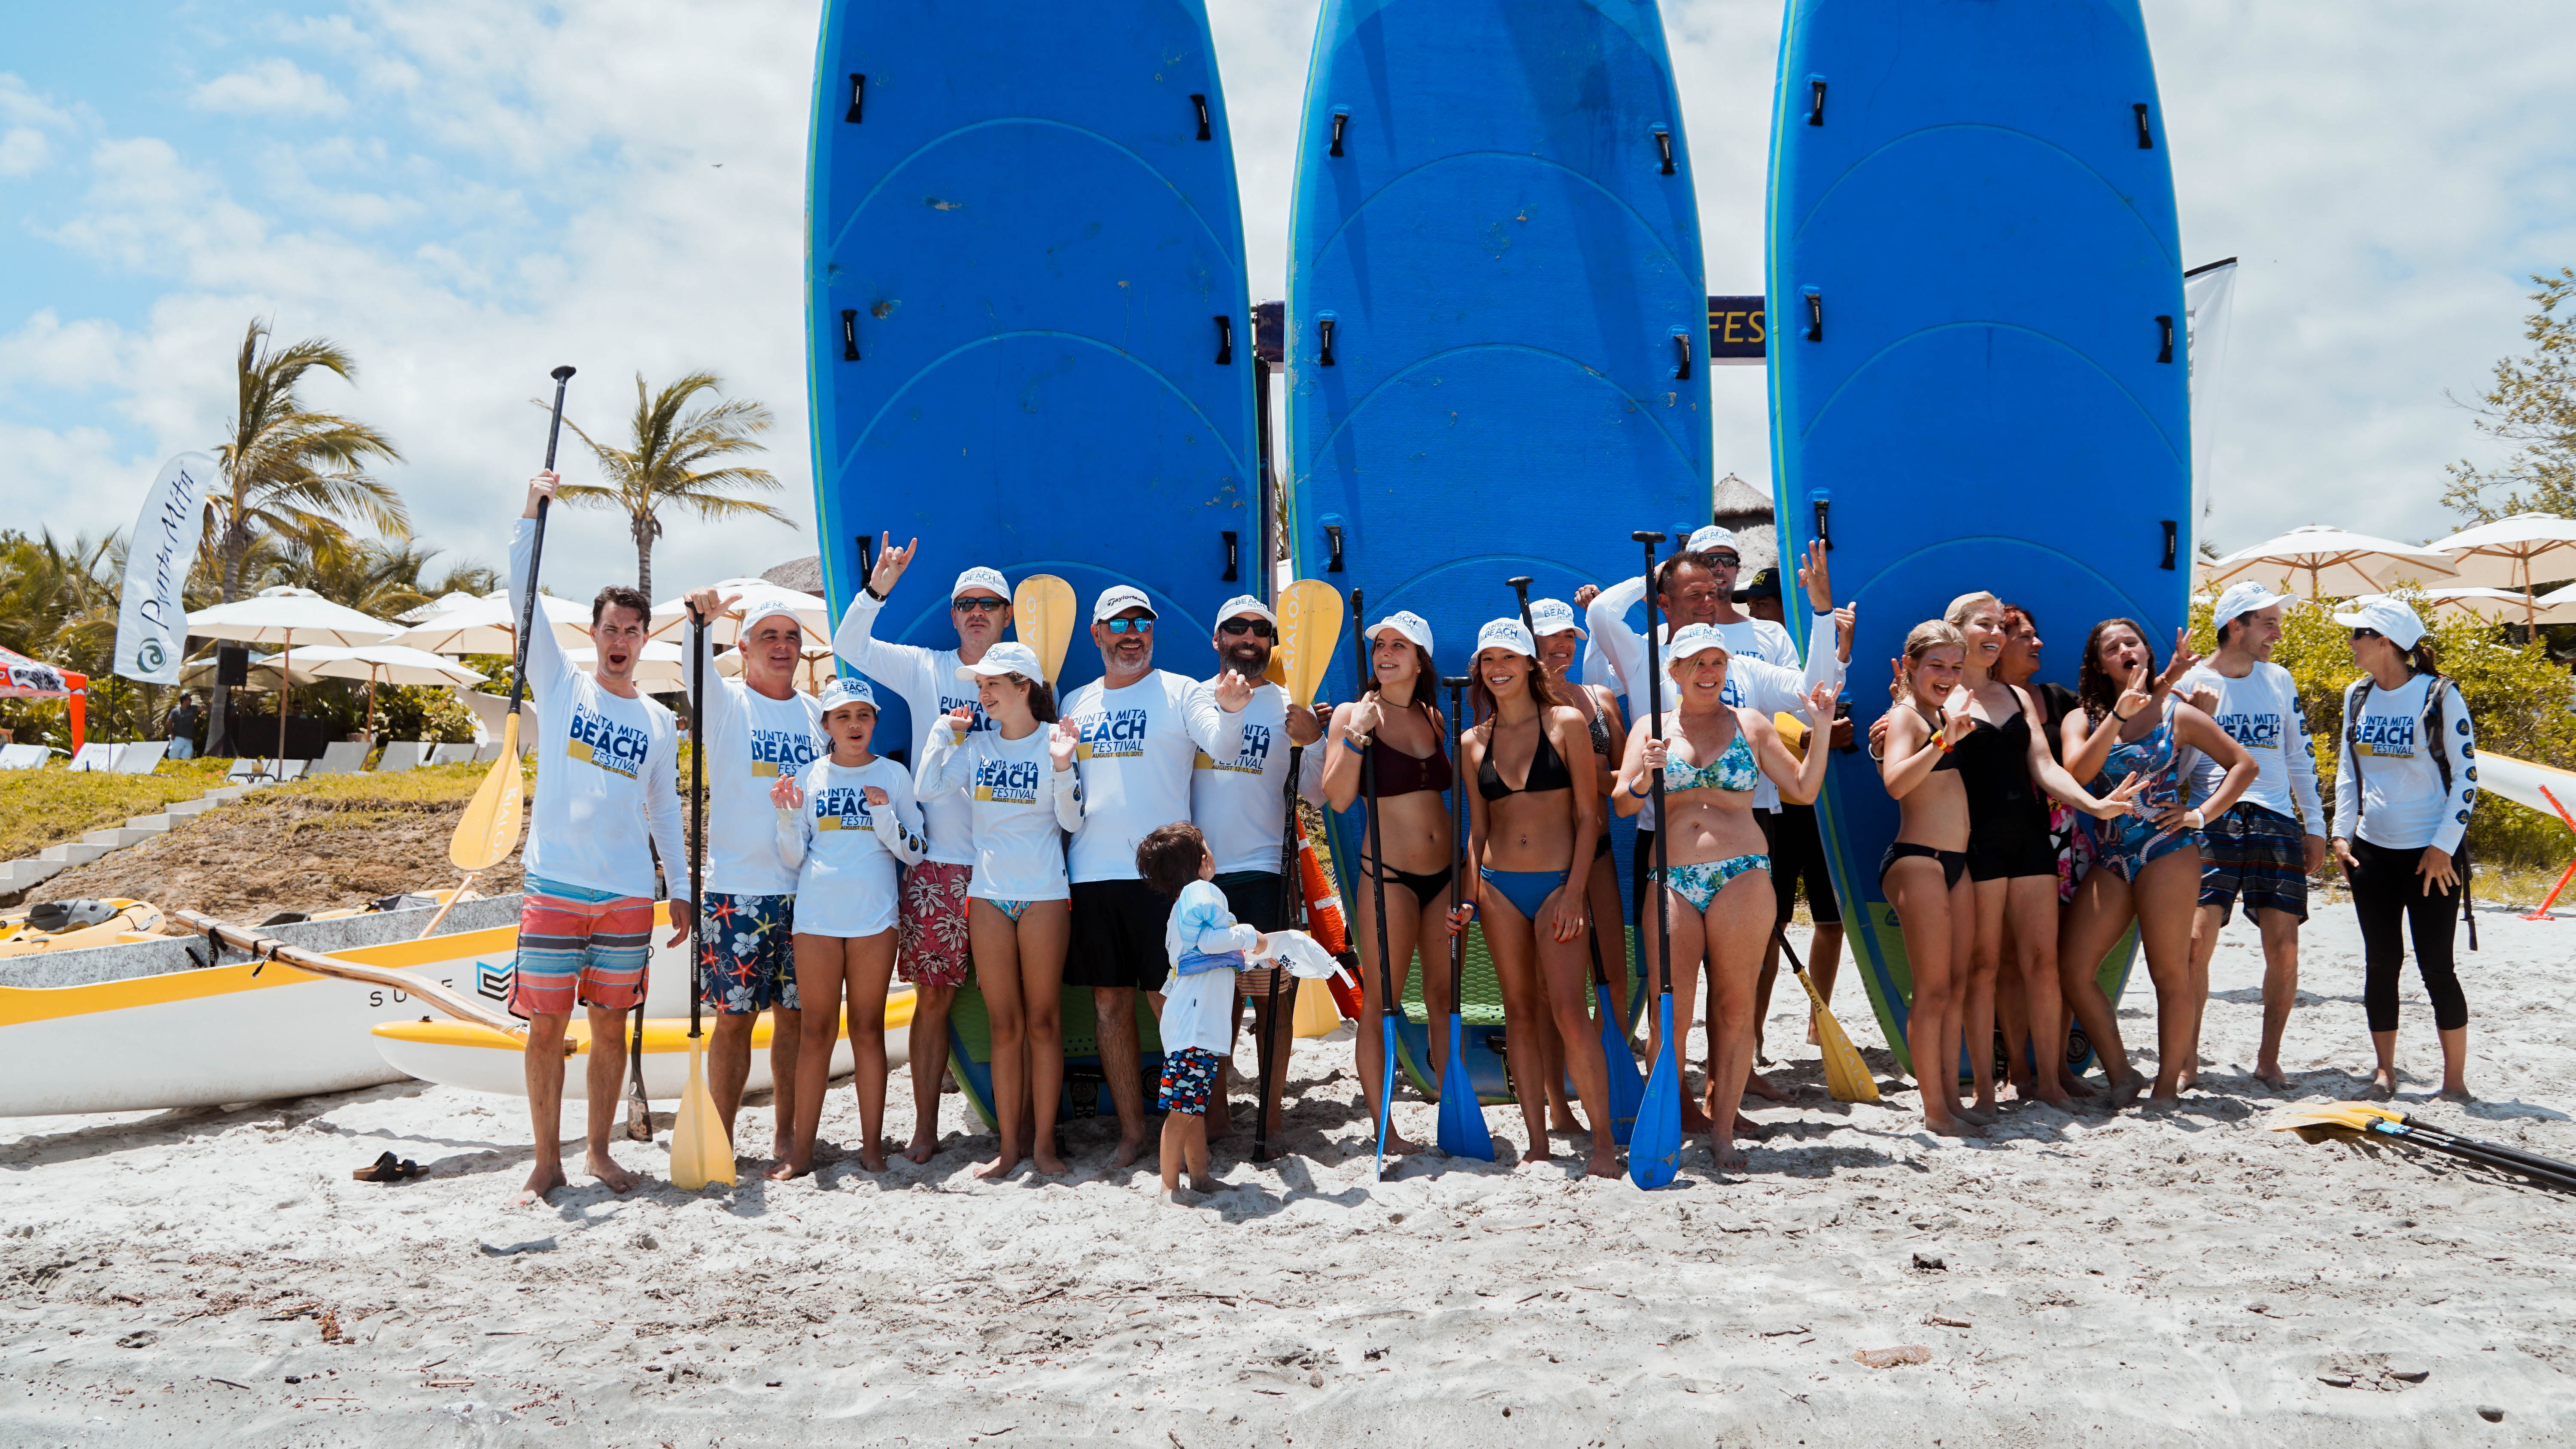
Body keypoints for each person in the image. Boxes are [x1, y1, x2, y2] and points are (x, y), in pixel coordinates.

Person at [1588, 539, 1848, 1108]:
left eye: (1715, 589)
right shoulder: (1646, 655)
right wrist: (1658, 575)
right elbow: (1602, 613)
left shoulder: (1748, 660)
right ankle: (1678, 1104)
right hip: (1665, 839)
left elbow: (1816, 693)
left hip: (1748, 833)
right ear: (1665, 599)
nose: (1709, 599)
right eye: (1694, 592)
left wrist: (1823, 615)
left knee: (1738, 982)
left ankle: (1730, 1085)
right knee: (1673, 991)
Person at [507, 471, 689, 1204]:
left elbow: (665, 809)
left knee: (611, 1028)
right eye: (610, 629)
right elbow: (521, 598)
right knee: (546, 1029)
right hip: (554, 885)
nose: (620, 641)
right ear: (594, 634)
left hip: (626, 894)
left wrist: (681, 888)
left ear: (645, 639)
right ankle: (545, 1163)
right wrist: (530, 514)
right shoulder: (560, 685)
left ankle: (599, 1153)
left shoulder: (659, 720)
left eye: (632, 631)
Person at [1611, 623, 1839, 1167]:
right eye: (1697, 663)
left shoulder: (1751, 724)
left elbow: (1803, 788)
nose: (1709, 672)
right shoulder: (1650, 728)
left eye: (1717, 661)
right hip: (1672, 877)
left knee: (1735, 1007)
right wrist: (1644, 775)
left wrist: (1823, 726)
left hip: (1743, 873)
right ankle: (1669, 1118)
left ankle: (1723, 1131)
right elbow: (1622, 803)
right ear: (1674, 672)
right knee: (1670, 1011)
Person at [832, 536, 1013, 1164]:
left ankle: (1018, 1130)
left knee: (1011, 1004)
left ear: (1006, 615)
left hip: (1010, 865)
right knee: (934, 999)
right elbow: (850, 646)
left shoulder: (1026, 674)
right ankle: (926, 1129)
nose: (976, 612)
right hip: (938, 865)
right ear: (954, 615)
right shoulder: (925, 668)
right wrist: (877, 588)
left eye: (989, 604)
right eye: (966, 604)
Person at [1059, 585, 1242, 1169]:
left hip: (1166, 878)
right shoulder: (1075, 700)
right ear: (1097, 634)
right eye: (1118, 624)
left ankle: (1208, 1122)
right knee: (1110, 1006)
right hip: (1092, 874)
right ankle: (1133, 1134)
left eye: (1142, 622)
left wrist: (1231, 710)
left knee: (1177, 1005)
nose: (1131, 633)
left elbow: (1222, 744)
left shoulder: (1183, 691)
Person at [1941, 592, 2143, 1115]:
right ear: (1956, 628)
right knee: (1985, 966)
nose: (1995, 634)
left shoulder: (2016, 695)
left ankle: (2051, 1082)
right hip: (1976, 843)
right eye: (1984, 624)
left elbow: (2045, 766)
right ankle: (1987, 1091)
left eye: (1998, 626)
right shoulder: (1942, 695)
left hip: (2031, 838)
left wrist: (2094, 805)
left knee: (2043, 963)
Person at [2055, 619, 2257, 1107]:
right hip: (2112, 856)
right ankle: (2122, 1074)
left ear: (2147, 653)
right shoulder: (2081, 718)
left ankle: (2166, 1087)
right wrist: (2117, 717)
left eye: (2133, 643)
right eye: (2113, 647)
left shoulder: (2177, 714)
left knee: (2169, 973)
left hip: (2168, 851)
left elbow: (2244, 765)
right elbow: (2076, 776)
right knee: (2073, 969)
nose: (2126, 650)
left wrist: (2199, 814)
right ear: (2100, 664)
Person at [917, 642, 1084, 1177]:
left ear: (1023, 687)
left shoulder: (1054, 741)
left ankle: (1044, 1148)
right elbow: (927, 787)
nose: (983, 693)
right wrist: (943, 733)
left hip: (1044, 894)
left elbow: (1072, 821)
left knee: (1043, 1023)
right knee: (1004, 1027)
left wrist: (1062, 766)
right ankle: (1009, 1149)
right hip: (988, 895)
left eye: (993, 683)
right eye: (980, 684)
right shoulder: (976, 746)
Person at [1460, 617, 1616, 1177]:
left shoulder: (1566, 723)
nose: (1497, 669)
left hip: (1557, 886)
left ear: (1529, 663)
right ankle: (1538, 1142)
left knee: (1571, 1011)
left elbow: (1588, 816)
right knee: (1520, 1014)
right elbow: (1478, 830)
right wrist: (1469, 895)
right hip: (1498, 889)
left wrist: (1575, 892)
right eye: (1487, 660)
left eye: (1508, 657)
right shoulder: (1472, 742)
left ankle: (1603, 1145)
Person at [681, 584, 827, 1163]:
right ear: (743, 648)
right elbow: (694, 670)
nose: (783, 645)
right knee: (734, 1022)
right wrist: (698, 625)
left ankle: (786, 1135)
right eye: (769, 636)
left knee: (795, 1021)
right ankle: (719, 1137)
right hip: (736, 893)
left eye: (792, 636)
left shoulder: (816, 714)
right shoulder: (727, 704)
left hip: (805, 891)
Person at [769, 677, 926, 1179]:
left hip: (874, 920)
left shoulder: (894, 775)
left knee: (867, 1028)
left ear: (875, 721)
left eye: (863, 715)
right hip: (816, 918)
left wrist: (884, 816)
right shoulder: (809, 776)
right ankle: (803, 1152)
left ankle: (872, 1148)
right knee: (816, 1030)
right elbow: (793, 857)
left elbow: (915, 851)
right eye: (843, 716)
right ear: (827, 726)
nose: (854, 725)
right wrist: (786, 818)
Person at [1186, 596, 1325, 1142]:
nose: (1249, 637)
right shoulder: (1193, 697)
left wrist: (1314, 739)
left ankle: (1271, 1119)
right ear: (1217, 638)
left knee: (1272, 1002)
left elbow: (1315, 793)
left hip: (1266, 870)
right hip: (1202, 878)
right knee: (1214, 1006)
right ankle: (1218, 1120)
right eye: (1237, 627)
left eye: (1260, 630)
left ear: (1271, 643)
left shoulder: (1290, 704)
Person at [2179, 582, 2328, 1091]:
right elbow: (2176, 765)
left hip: (2275, 819)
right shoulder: (2193, 680)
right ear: (2234, 626)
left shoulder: (2279, 679)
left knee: (2284, 948)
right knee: (2195, 943)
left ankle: (2268, 1060)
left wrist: (2315, 827)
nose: (2277, 633)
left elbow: (2299, 757)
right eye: (2267, 623)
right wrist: (2201, 716)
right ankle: (2187, 1059)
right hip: (2212, 815)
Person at [2329, 596, 2477, 1101]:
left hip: (2432, 857)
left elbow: (2467, 779)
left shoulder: (2440, 696)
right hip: (2371, 853)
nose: (2351, 642)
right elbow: (2349, 771)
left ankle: (2454, 1082)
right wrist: (2341, 833)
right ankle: (2384, 1072)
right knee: (2381, 962)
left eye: (2358, 634)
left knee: (2436, 966)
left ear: (2385, 642)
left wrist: (2442, 847)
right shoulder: (2357, 695)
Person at [1319, 610, 1454, 1157]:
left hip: (1444, 876)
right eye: (1381, 645)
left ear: (1421, 660)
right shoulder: (1353, 714)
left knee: (1443, 996)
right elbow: (1337, 798)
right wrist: (1357, 735)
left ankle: (1454, 1109)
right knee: (1381, 1001)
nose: (1386, 653)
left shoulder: (1433, 716)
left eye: (1400, 645)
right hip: (1388, 877)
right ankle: (1386, 1129)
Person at [1526, 596, 1629, 1130]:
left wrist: (1588, 773)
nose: (1562, 645)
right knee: (1548, 991)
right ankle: (1559, 1106)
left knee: (1614, 980)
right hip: (1543, 866)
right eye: (1550, 636)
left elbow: (1627, 784)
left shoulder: (1600, 698)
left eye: (1569, 635)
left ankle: (1607, 1091)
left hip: (1600, 854)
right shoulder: (1514, 706)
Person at [1875, 621, 1980, 1137]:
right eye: (1936, 665)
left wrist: (1944, 730)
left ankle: (1951, 1100)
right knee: (1933, 990)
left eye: (1956, 667)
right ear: (1912, 665)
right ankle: (1935, 1110)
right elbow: (1895, 783)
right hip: (1918, 859)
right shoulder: (1906, 717)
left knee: (1955, 988)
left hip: (1954, 862)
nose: (1947, 675)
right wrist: (1942, 739)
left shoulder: (1940, 715)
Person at [1136, 822, 1275, 1204]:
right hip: (1194, 1024)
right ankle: (1169, 1186)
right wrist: (1251, 935)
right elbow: (1210, 942)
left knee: (1192, 1106)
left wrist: (1254, 957)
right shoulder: (1203, 892)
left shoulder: (1182, 905)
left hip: (1187, 1019)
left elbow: (1208, 955)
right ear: (1202, 860)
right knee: (1182, 1111)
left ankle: (1199, 1177)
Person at [1740, 567, 1849, 1045]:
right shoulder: (1757, 654)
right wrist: (1808, 735)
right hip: (1779, 805)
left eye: (1763, 604)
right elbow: (1768, 718)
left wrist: (1841, 655)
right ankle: (1755, 1033)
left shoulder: (1811, 649)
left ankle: (1818, 1028)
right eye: (1752, 605)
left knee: (1831, 919)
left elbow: (1826, 699)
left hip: (1822, 805)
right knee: (1772, 922)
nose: (1754, 613)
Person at [164, 693, 203, 761]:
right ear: (184, 701)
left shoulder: (193, 709)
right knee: (173, 759)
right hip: (178, 739)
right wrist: (172, 734)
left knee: (187, 760)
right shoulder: (176, 711)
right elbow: (168, 723)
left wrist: (211, 706)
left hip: (189, 740)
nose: (191, 701)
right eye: (189, 699)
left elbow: (203, 708)